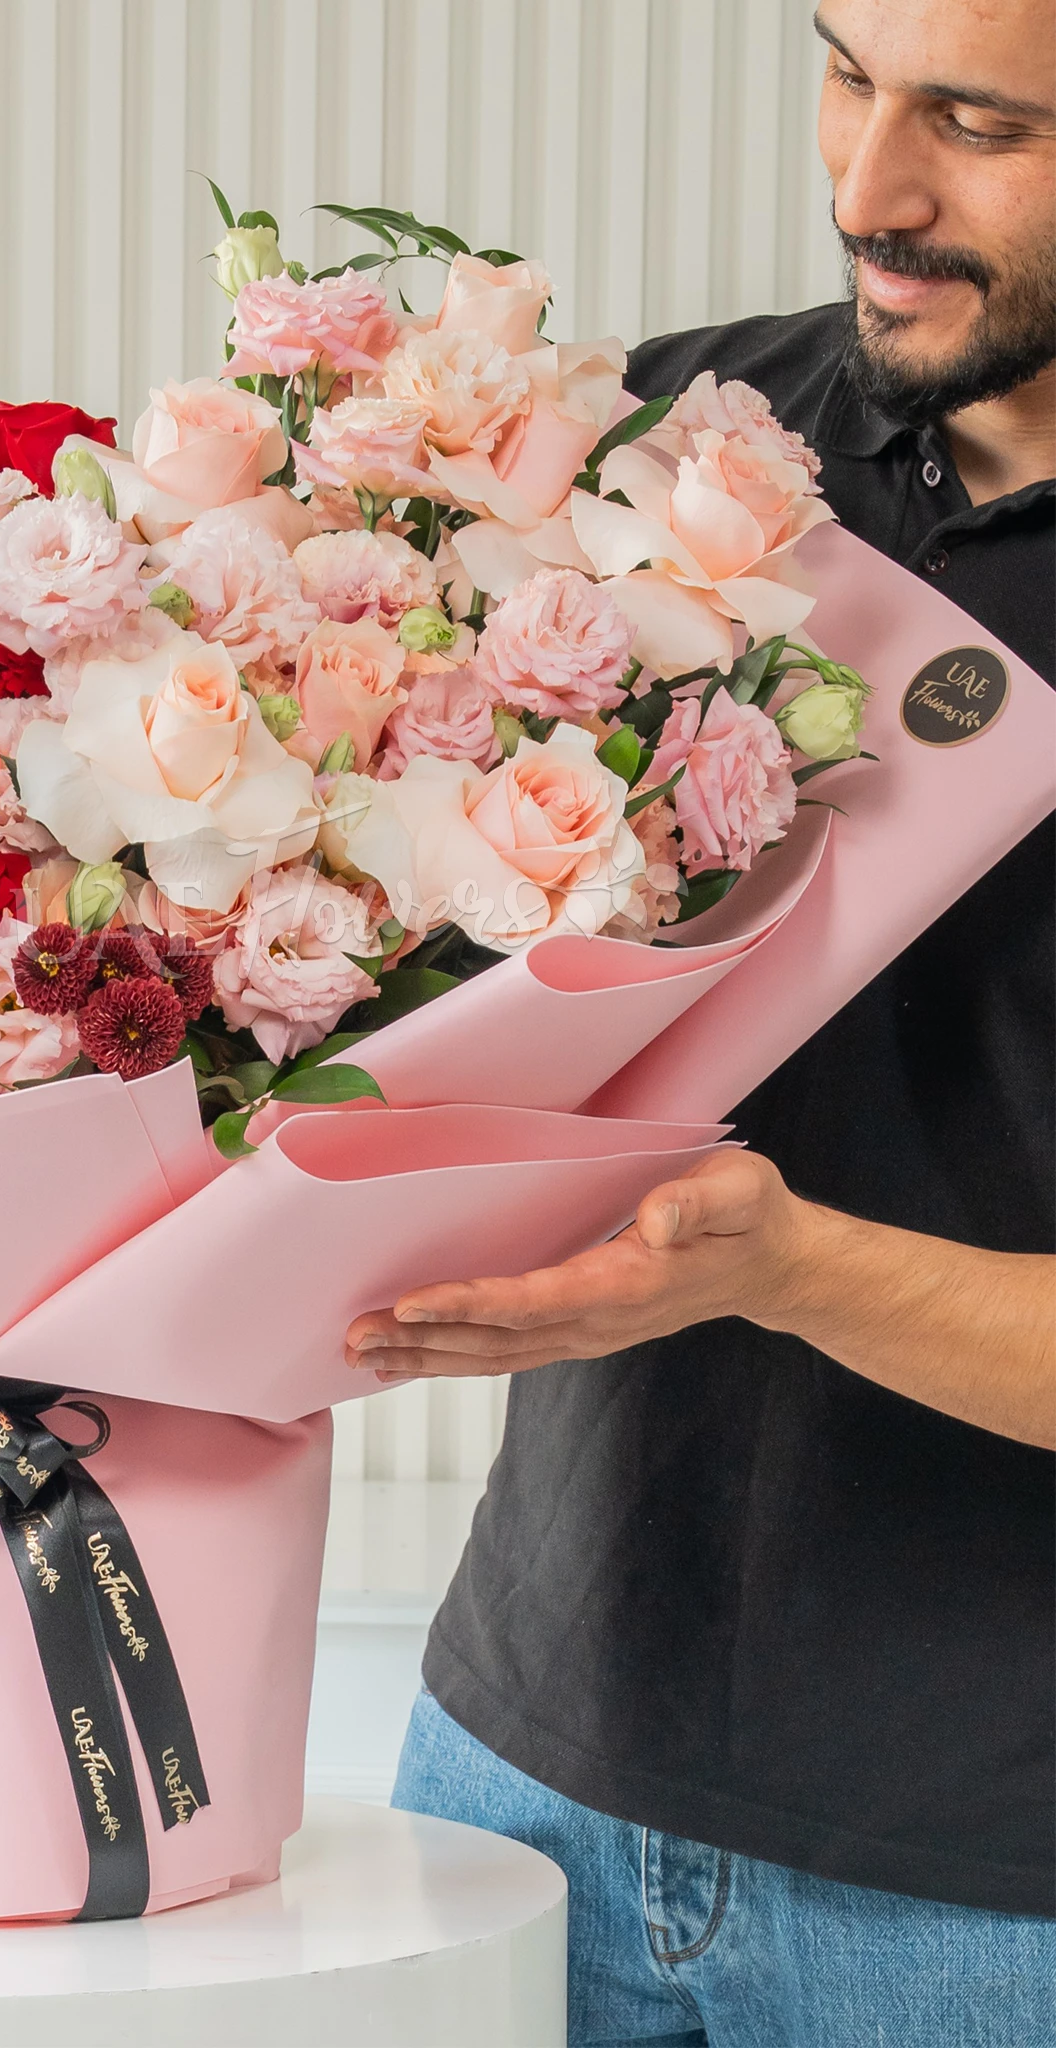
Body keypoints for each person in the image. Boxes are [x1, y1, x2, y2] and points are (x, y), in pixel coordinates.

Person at [351, 4, 1056, 2042]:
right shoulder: (676, 438)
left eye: (980, 124)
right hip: (516, 1776)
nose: (869, 189)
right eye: (846, 71)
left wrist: (786, 1268)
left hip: (991, 1896)